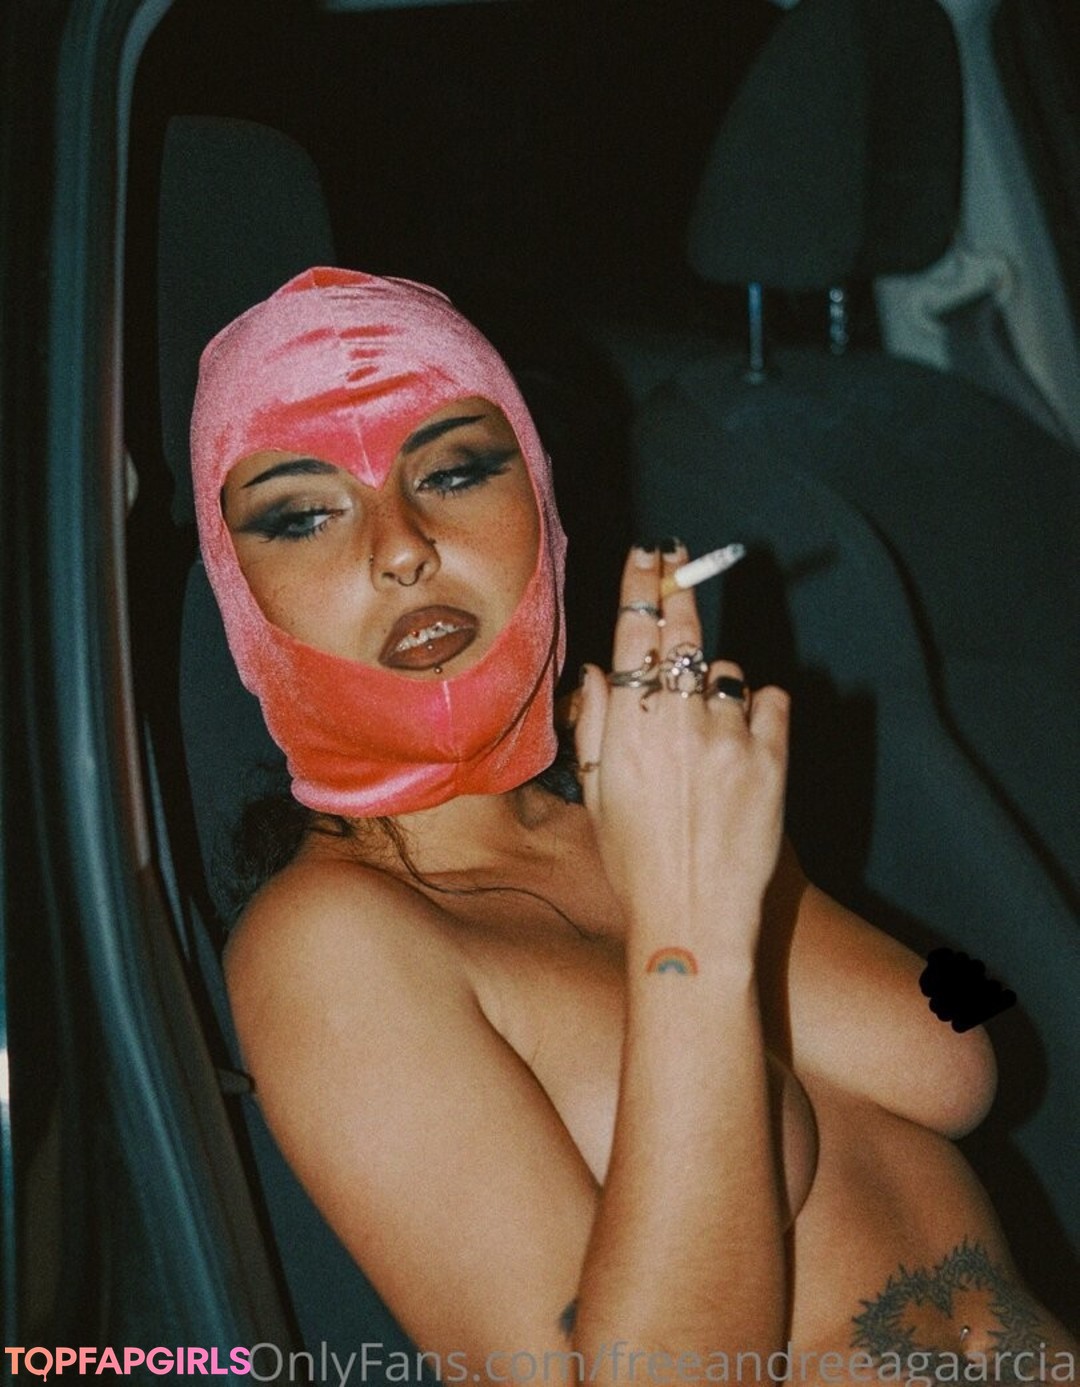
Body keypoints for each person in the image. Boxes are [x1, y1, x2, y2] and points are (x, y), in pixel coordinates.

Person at [191, 267, 1078, 1385]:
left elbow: (966, 1019)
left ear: (542, 500)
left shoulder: (656, 789)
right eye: (303, 515)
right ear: (240, 594)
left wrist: (906, 933)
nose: (402, 545)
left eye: (454, 470)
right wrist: (691, 922)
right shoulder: (331, 942)